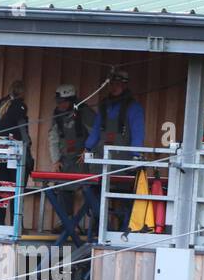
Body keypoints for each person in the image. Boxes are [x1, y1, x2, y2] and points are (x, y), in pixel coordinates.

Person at [85, 69, 146, 232]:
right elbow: (96, 130)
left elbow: (138, 134)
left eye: (118, 84)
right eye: (112, 84)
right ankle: (103, 227)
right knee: (89, 191)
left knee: (126, 200)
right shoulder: (104, 106)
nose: (114, 87)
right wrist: (87, 148)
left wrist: (136, 156)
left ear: (125, 85)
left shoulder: (134, 108)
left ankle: (122, 230)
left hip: (122, 164)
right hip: (100, 163)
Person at [49, 83, 93, 230]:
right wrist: (55, 160)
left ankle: (95, 222)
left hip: (84, 157)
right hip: (66, 158)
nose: (59, 105)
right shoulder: (57, 115)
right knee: (61, 187)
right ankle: (66, 221)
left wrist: (89, 150)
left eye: (62, 102)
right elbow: (53, 138)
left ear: (71, 100)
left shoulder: (83, 112)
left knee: (90, 188)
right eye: (58, 102)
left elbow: (97, 132)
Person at [0, 80, 34, 227]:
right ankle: (16, 225)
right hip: (15, 153)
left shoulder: (1, 104)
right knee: (17, 189)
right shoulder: (19, 106)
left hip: (1, 152)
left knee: (2, 188)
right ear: (23, 92)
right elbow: (22, 131)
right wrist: (28, 148)